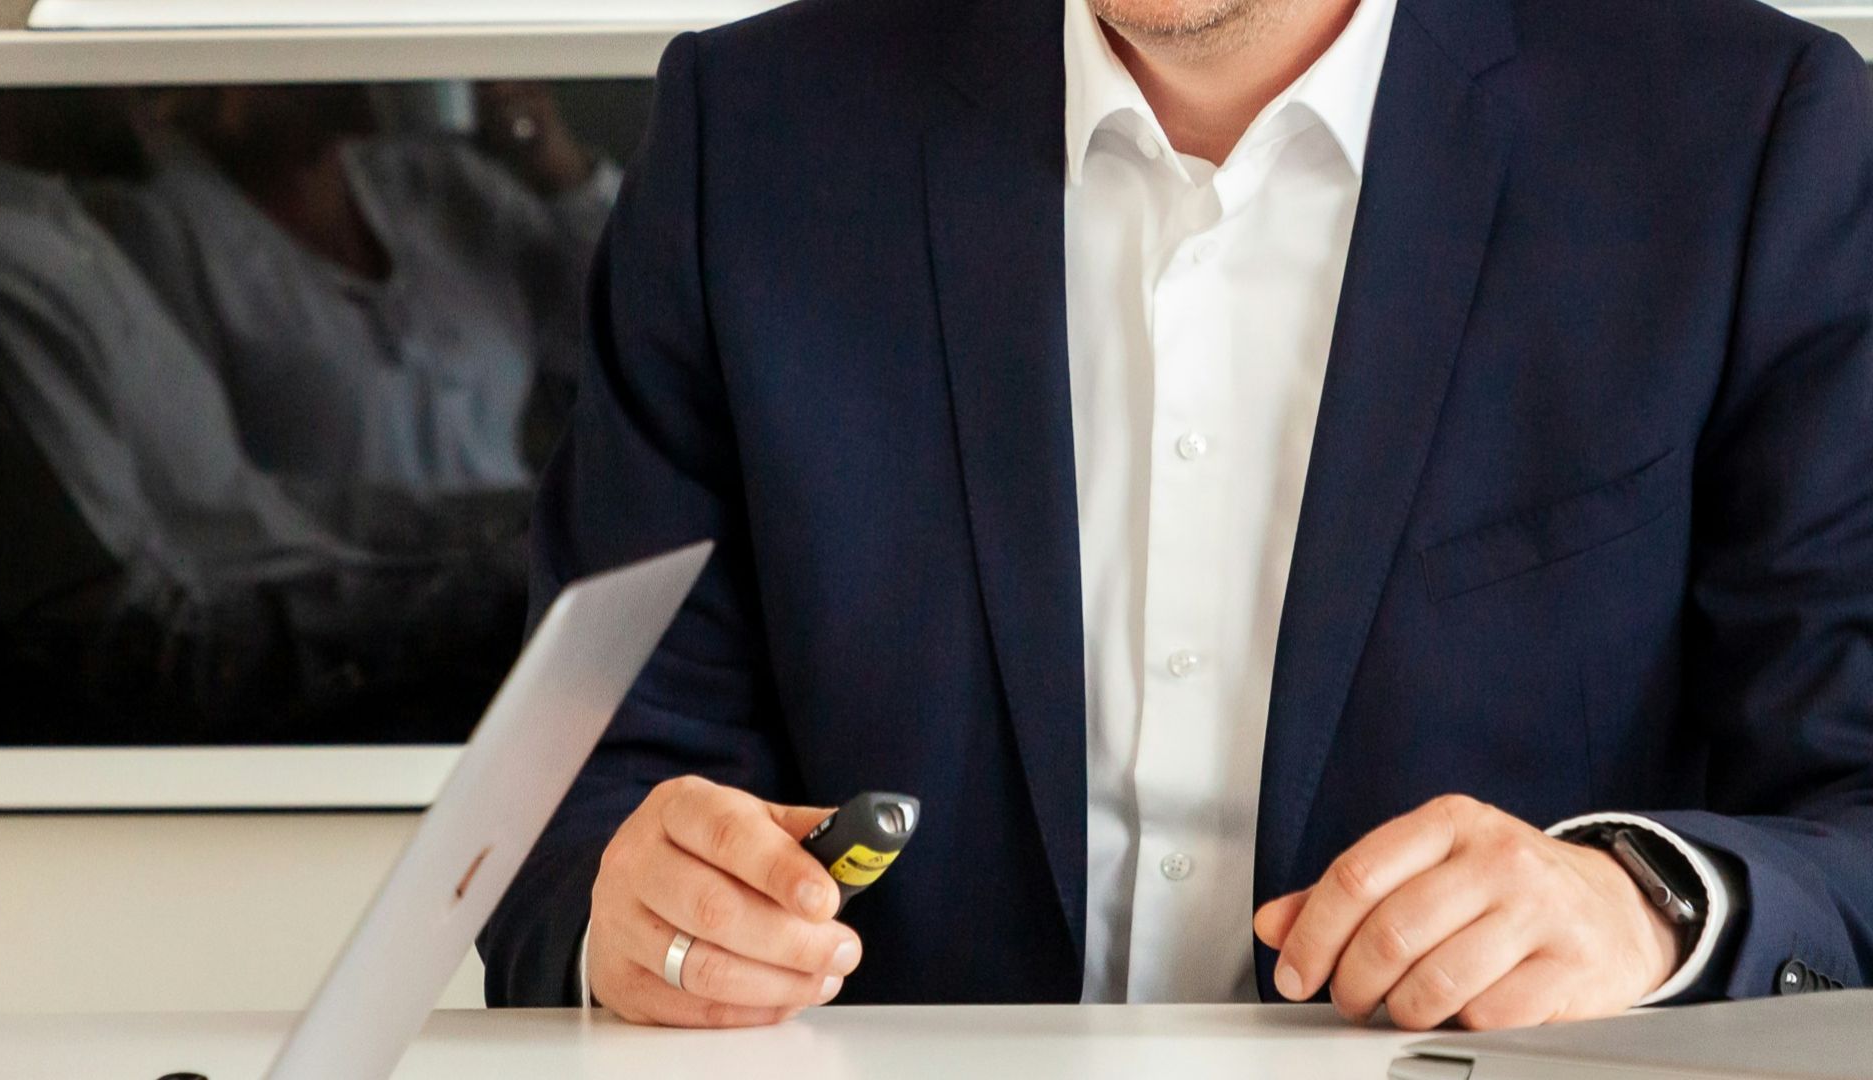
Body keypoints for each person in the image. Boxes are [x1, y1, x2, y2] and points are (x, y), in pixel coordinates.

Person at [479, 0, 1873, 1033]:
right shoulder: (755, 131)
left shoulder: (1751, 136)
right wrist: (632, 899)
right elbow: (576, 791)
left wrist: (1647, 908)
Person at [0, 91, 527, 745]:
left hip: (277, 664)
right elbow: (127, 646)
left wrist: (505, 525)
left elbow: (239, 507)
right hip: (202, 759)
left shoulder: (57, 224)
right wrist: (470, 597)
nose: (162, 86)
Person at [87, 84, 616, 497]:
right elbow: (200, 497)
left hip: (517, 590)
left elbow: (637, 330)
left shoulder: (430, 179)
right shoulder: (158, 226)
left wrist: (554, 163)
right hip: (338, 615)